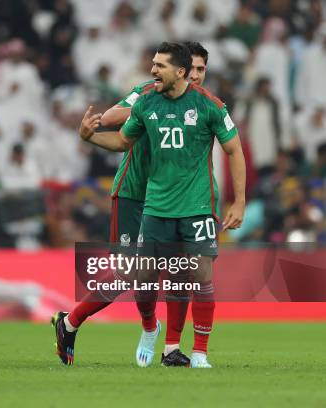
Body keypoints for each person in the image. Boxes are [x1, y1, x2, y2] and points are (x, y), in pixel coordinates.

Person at [53, 42, 214, 368]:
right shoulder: (148, 92)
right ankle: (75, 322)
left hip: (178, 200)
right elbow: (111, 116)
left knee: (179, 272)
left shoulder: (202, 105)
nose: (196, 76)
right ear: (179, 70)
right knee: (130, 275)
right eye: (192, 69)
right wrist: (153, 107)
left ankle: (171, 349)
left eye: (201, 70)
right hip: (133, 194)